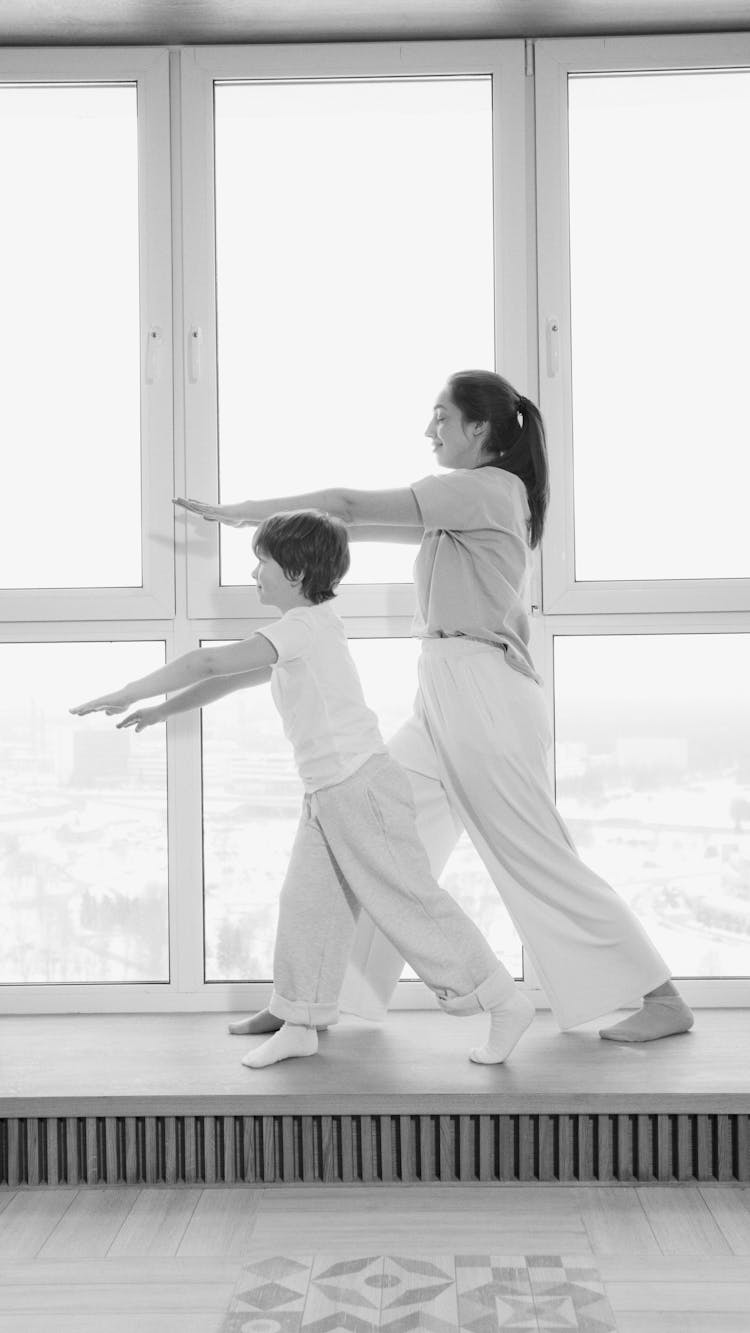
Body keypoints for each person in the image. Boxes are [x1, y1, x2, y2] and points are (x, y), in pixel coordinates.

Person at [173, 370, 694, 1049]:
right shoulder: (473, 497)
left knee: (533, 854)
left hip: (484, 695)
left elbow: (345, 505)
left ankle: (662, 996)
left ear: (479, 430)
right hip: (447, 687)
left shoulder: (485, 489)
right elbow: (349, 518)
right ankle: (306, 999)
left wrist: (246, 511)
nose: (430, 431)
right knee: (366, 832)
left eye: (441, 418)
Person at [71, 508, 533, 1068]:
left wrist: (127, 691)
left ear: (293, 572)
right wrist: (161, 710)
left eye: (260, 562)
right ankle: (299, 1016)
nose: (253, 574)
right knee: (308, 904)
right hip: (331, 792)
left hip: (361, 789)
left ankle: (501, 1000)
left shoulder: (303, 628)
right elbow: (225, 679)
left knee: (408, 903)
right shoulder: (303, 631)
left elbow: (208, 660)